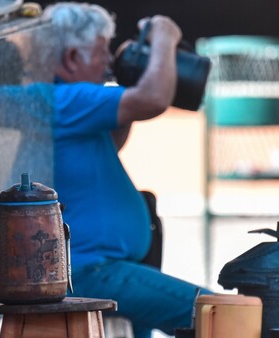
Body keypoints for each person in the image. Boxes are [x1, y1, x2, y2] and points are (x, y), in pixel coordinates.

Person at [43, 3, 212, 338]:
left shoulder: (73, 106)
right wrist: (165, 37)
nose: (109, 61)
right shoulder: (67, 99)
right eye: (102, 51)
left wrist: (130, 78)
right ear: (72, 58)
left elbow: (114, 138)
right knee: (219, 315)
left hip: (109, 267)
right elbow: (152, 99)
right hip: (92, 269)